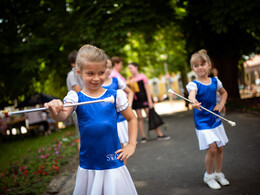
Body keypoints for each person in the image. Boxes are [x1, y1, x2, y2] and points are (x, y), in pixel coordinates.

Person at [44, 44, 138, 195]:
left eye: (101, 72)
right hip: (89, 166)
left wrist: (131, 144)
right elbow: (61, 116)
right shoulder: (75, 97)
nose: (96, 78)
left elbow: (132, 118)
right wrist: (53, 109)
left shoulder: (116, 95)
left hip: (113, 164)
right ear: (78, 72)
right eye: (90, 73)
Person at [186, 49, 230, 190]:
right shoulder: (193, 85)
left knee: (220, 148)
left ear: (209, 65)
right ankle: (209, 175)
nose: (199, 68)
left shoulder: (215, 81)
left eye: (202, 64)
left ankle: (218, 173)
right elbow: (191, 96)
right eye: (196, 66)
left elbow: (224, 94)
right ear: (193, 68)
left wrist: (221, 104)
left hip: (214, 118)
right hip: (202, 122)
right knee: (212, 148)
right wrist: (193, 101)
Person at [128, 62, 171, 143]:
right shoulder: (130, 79)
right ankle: (143, 137)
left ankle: (159, 134)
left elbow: (147, 89)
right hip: (136, 101)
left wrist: (149, 100)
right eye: (129, 68)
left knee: (150, 116)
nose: (130, 70)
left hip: (144, 99)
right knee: (139, 118)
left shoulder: (143, 76)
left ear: (136, 67)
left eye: (131, 68)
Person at [102, 57, 134, 165]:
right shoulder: (97, 85)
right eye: (105, 67)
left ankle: (122, 167)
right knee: (110, 147)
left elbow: (130, 92)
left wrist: (127, 105)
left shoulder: (116, 80)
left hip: (120, 119)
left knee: (122, 147)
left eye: (110, 67)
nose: (107, 70)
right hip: (107, 120)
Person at [66, 50, 84, 150]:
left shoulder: (81, 73)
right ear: (73, 63)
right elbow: (78, 91)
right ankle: (82, 163)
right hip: (78, 109)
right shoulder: (72, 75)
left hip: (84, 107)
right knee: (82, 137)